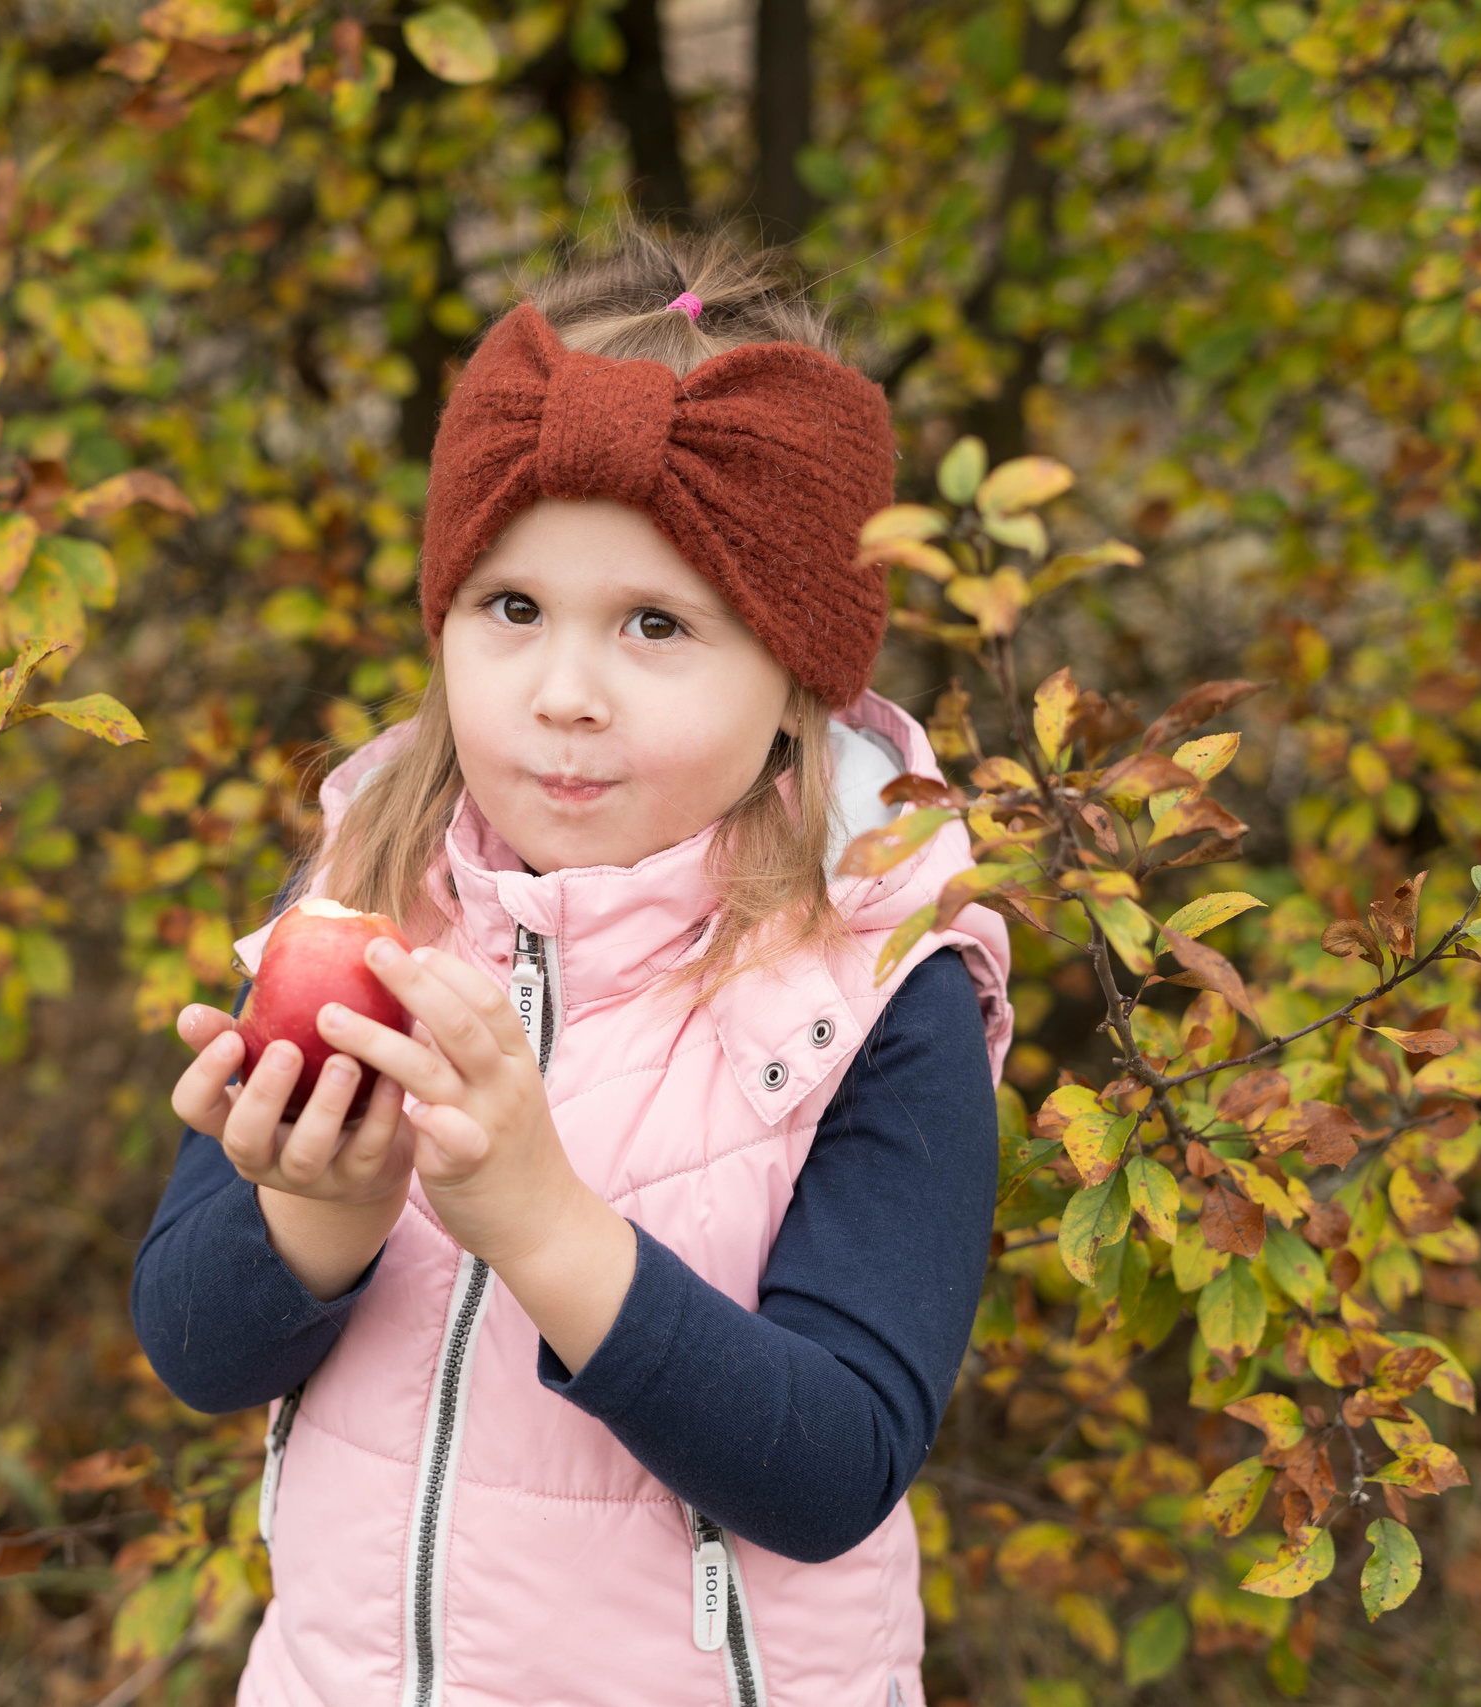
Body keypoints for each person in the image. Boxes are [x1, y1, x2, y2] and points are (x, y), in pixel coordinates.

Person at [132, 219, 1015, 1707]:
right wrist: (317, 1214)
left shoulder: (875, 984)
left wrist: (546, 1228)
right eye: (514, 609)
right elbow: (196, 1352)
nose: (564, 692)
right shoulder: (368, 898)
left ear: (798, 669)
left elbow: (834, 1467)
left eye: (655, 623)